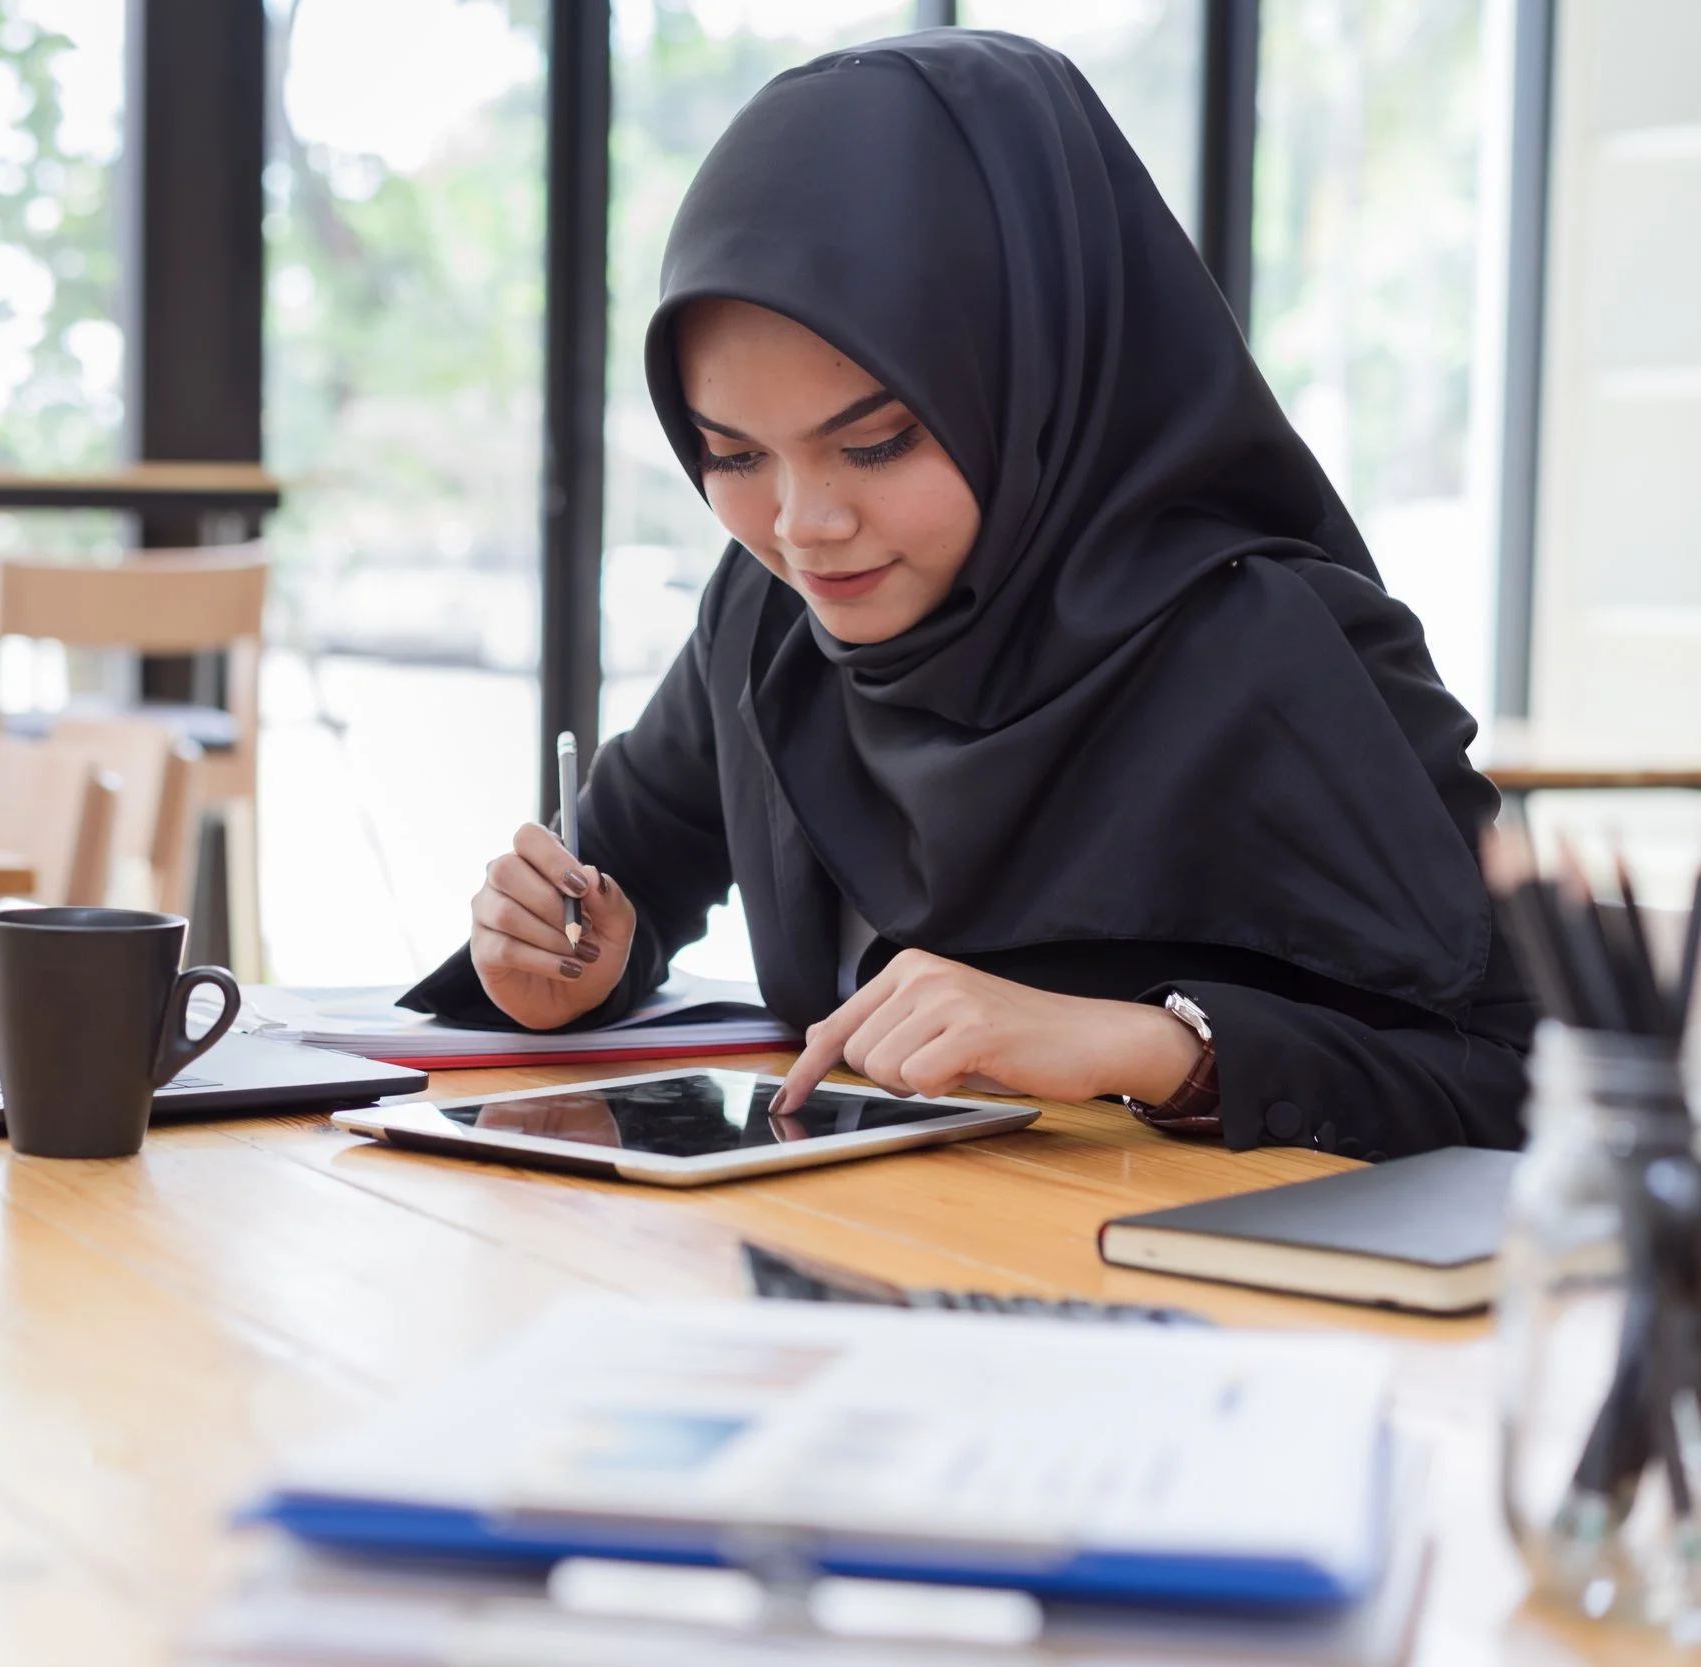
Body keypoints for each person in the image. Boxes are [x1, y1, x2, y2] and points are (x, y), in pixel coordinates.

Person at [404, 29, 1530, 1159]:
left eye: (879, 442)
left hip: (1179, 1307)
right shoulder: (769, 621)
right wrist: (566, 963)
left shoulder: (1274, 649)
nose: (803, 525)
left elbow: (1524, 1085)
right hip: (844, 1283)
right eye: (734, 456)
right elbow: (622, 882)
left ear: (1034, 383)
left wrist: (1150, 1045)